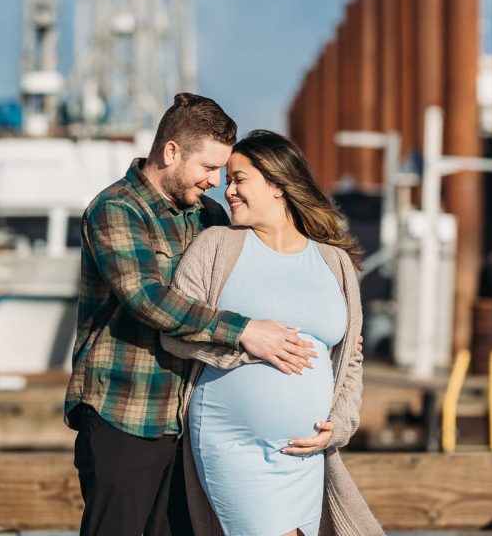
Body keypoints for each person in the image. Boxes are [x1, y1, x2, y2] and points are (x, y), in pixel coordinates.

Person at [64, 94, 318, 536]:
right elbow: (147, 298)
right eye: (208, 167)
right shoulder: (116, 208)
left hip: (192, 424)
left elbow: (255, 283)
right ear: (171, 152)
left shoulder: (210, 215)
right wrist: (243, 332)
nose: (216, 181)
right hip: (126, 414)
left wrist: (324, 332)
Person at [161, 130, 384, 536]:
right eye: (228, 179)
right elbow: (174, 330)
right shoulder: (217, 247)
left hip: (304, 454)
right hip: (234, 442)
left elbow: (350, 357)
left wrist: (342, 421)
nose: (228, 190)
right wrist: (245, 343)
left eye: (239, 179)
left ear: (278, 184)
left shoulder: (334, 262)